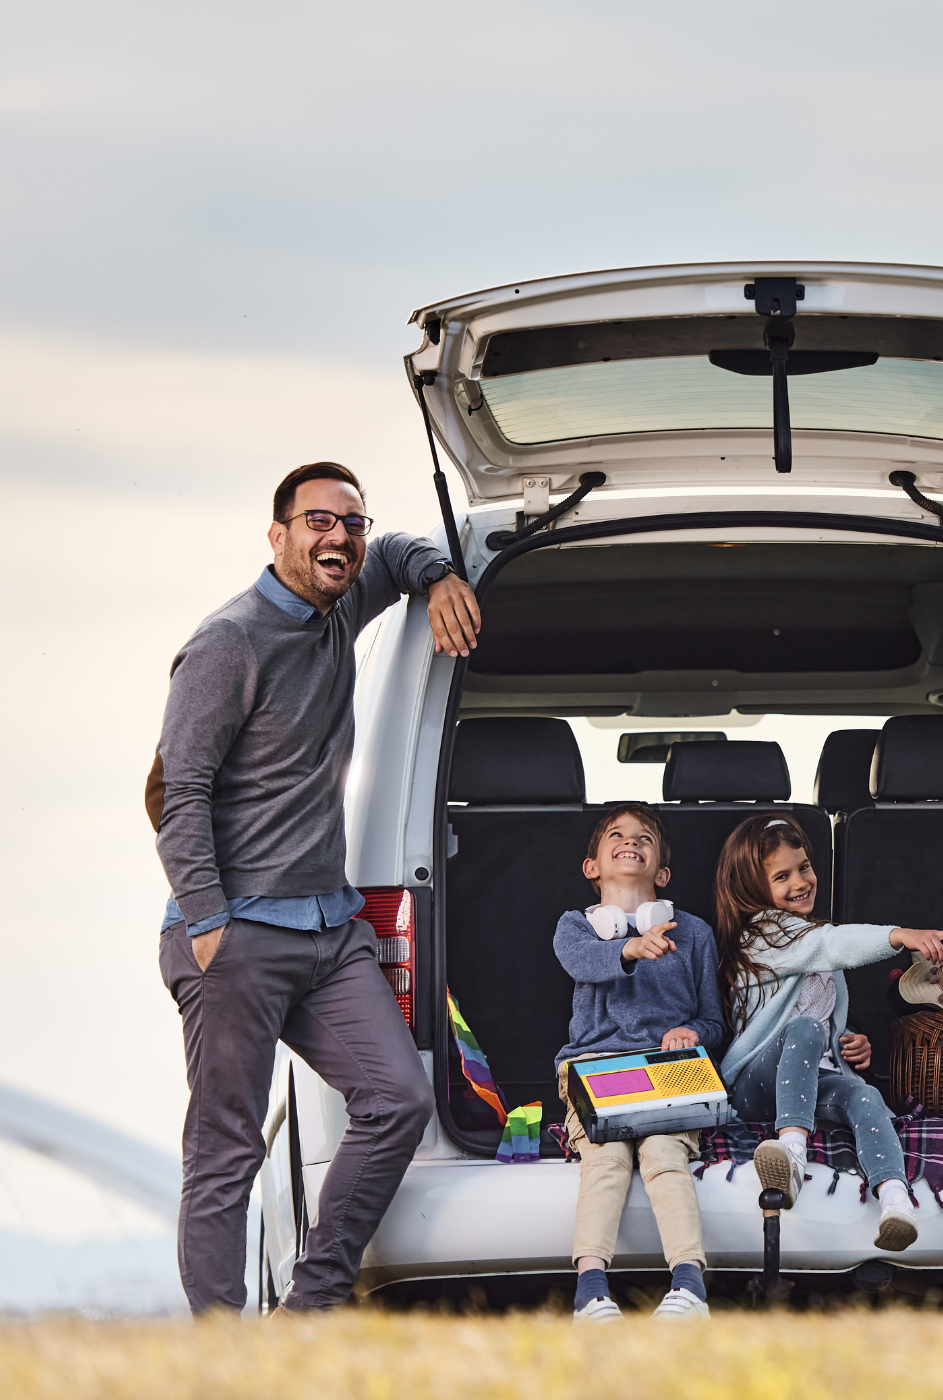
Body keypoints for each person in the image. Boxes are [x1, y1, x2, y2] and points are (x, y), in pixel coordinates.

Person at [151, 461, 482, 1315]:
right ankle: (223, 1354)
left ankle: (312, 1311)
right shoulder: (229, 642)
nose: (339, 537)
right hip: (237, 935)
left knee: (398, 1100)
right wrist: (209, 922)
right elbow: (175, 790)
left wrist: (437, 574)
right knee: (226, 1149)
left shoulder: (344, 600)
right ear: (279, 533)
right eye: (318, 522)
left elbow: (403, 549)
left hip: (329, 934)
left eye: (351, 523)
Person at [710, 815, 943, 1252]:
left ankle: (895, 1199)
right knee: (803, 1029)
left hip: (808, 1079)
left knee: (865, 1096)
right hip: (756, 1085)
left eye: (804, 867)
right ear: (753, 888)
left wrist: (850, 1042)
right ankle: (791, 1154)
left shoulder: (809, 937)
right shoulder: (760, 936)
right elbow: (828, 947)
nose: (801, 881)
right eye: (782, 876)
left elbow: (824, 1015)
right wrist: (900, 935)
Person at [553, 804, 726, 1323]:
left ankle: (689, 1286)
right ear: (592, 867)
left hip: (668, 1068)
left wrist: (692, 1032)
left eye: (644, 838)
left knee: (664, 1155)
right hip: (594, 1066)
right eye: (617, 835)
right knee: (604, 1160)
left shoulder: (692, 933)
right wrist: (629, 948)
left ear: (663, 873)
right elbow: (580, 962)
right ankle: (590, 1291)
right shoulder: (575, 928)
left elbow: (714, 1022)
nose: (631, 841)